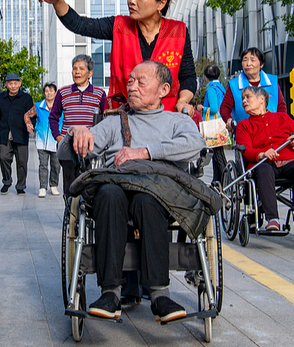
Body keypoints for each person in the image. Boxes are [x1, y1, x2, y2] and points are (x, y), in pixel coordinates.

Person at [61, 61, 208, 323]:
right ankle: (110, 293)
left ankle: (159, 294)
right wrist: (75, 133)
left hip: (157, 194)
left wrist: (144, 153)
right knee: (108, 194)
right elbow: (69, 152)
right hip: (115, 189)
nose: (132, 87)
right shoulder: (114, 123)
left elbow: (195, 145)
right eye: (130, 81)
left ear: (163, 89)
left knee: (147, 199)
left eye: (141, 81)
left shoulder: (177, 121)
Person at [36, 0, 197, 113]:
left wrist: (183, 101)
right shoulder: (118, 26)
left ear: (161, 4)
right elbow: (80, 24)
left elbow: (188, 76)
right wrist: (57, 1)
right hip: (124, 117)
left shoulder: (179, 32)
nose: (132, 0)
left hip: (166, 118)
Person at [234, 86, 294, 232]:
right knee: (264, 170)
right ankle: (272, 219)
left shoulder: (282, 118)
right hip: (263, 163)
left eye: (248, 97)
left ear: (261, 99)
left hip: (289, 160)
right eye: (243, 99)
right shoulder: (244, 125)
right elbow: (245, 149)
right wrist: (262, 154)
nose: (243, 101)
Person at [48, 55, 107, 195]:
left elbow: (106, 119)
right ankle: (69, 207)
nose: (77, 72)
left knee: (89, 184)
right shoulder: (63, 92)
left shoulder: (100, 94)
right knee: (69, 185)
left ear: (90, 73)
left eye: (81, 69)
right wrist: (58, 137)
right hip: (68, 145)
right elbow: (53, 117)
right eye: (74, 68)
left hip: (90, 146)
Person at [220, 47, 287, 131]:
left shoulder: (272, 81)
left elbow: (281, 105)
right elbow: (225, 107)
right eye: (245, 60)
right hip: (245, 131)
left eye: (253, 60)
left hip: (272, 130)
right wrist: (228, 120)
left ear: (261, 64)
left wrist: (281, 123)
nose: (248, 64)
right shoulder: (234, 85)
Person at [0, 73, 34, 194]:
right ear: (6, 84)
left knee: (22, 162)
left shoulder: (26, 98)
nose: (13, 86)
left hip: (21, 134)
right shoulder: (0, 98)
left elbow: (32, 115)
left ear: (19, 84)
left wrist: (31, 126)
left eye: (15, 83)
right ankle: (7, 181)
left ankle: (21, 186)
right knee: (3, 157)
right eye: (10, 84)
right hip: (5, 133)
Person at [24, 82, 63, 198]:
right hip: (41, 141)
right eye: (46, 91)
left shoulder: (61, 107)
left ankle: (53, 185)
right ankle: (42, 187)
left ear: (55, 93)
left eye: (51, 91)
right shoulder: (38, 106)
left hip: (56, 141)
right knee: (43, 165)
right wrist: (28, 124)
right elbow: (26, 115)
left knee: (56, 165)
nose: (49, 93)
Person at [201, 64, 227, 183]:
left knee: (217, 155)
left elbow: (214, 109)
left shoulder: (211, 89)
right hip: (220, 122)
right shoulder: (221, 88)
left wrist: (202, 108)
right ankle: (217, 179)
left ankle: (225, 180)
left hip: (213, 125)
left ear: (206, 76)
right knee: (218, 154)